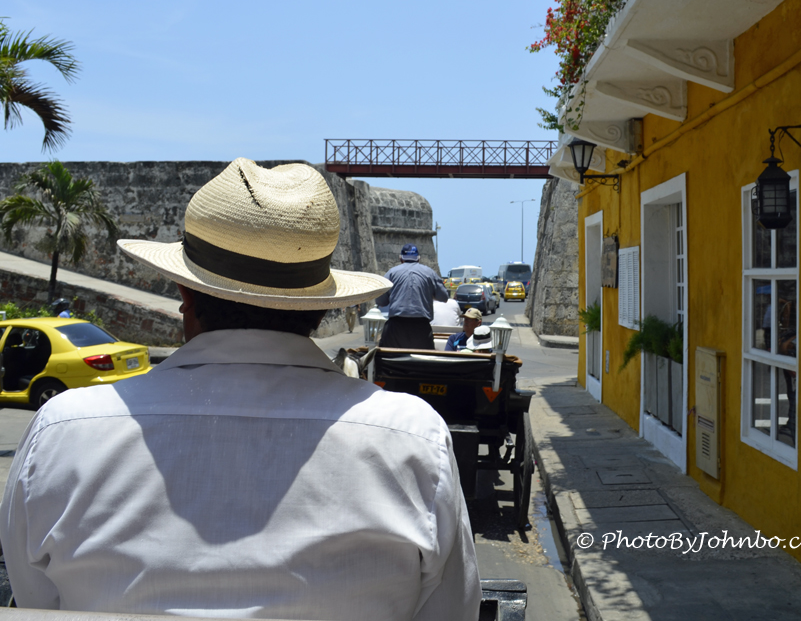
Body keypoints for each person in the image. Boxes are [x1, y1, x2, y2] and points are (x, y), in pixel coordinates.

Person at [0, 159, 481, 620]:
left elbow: (37, 600)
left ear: (185, 293)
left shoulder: (63, 431)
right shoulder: (413, 439)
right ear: (320, 307)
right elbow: (451, 609)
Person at [375, 244, 448, 349]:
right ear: (418, 259)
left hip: (396, 327)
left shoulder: (391, 273)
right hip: (421, 328)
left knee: (387, 355)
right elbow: (444, 297)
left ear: (401, 259)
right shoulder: (430, 273)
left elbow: (381, 301)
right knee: (425, 358)